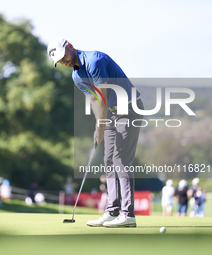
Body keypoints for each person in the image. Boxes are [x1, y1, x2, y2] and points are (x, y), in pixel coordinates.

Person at [48, 38, 144, 228]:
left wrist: (100, 126)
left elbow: (102, 95)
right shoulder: (76, 77)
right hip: (111, 114)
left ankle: (128, 214)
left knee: (121, 159)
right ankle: (112, 211)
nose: (64, 62)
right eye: (60, 61)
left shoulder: (94, 60)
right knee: (108, 160)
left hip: (129, 109)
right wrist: (97, 127)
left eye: (63, 56)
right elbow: (93, 101)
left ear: (70, 46)